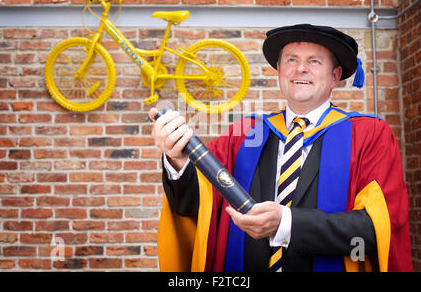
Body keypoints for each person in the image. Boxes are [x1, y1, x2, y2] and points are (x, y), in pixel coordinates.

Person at [149, 24, 413, 272]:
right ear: (278, 70)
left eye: (314, 61)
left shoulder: (368, 135)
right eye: (291, 60)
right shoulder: (244, 134)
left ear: (335, 76)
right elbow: (200, 207)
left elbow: (375, 227)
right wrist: (177, 161)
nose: (301, 69)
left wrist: (287, 223)